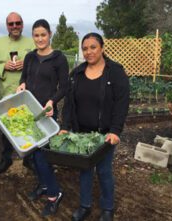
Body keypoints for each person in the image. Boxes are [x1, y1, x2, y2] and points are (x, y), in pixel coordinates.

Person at [60, 33, 129, 221]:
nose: (88, 52)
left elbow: (121, 103)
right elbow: (69, 103)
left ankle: (107, 208)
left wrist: (115, 130)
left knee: (104, 170)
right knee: (85, 169)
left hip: (104, 134)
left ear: (102, 48)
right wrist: (65, 126)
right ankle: (85, 205)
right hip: (81, 133)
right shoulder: (77, 73)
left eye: (93, 47)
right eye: (85, 48)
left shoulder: (115, 72)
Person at [16, 19, 69, 217]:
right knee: (32, 155)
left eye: (43, 35)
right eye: (36, 35)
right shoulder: (30, 57)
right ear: (33, 36)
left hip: (46, 112)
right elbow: (24, 78)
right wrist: (22, 85)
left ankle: (55, 194)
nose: (40, 39)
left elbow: (64, 87)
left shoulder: (59, 59)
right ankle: (44, 184)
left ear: (50, 34)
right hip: (28, 111)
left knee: (42, 155)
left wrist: (52, 102)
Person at [0, 12, 35, 174]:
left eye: (18, 23)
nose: (14, 26)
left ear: (22, 24)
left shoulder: (32, 43)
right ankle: (6, 158)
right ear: (6, 25)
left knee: (28, 125)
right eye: (11, 24)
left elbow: (39, 66)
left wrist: (27, 65)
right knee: (6, 128)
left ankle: (29, 159)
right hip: (5, 92)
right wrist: (3, 66)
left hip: (26, 92)